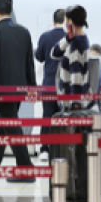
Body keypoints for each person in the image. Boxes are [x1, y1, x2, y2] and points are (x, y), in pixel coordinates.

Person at [0, 0, 36, 182]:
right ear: (11, 10)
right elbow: (29, 62)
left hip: (1, 91)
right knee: (5, 124)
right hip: (19, 88)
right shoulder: (24, 31)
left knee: (11, 125)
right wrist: (32, 87)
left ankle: (26, 168)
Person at [35, 9, 66, 162]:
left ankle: (44, 150)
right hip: (65, 86)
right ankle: (62, 149)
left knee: (47, 116)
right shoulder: (70, 38)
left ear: (53, 21)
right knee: (65, 117)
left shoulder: (45, 36)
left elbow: (39, 57)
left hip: (48, 84)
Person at [51, 5, 95, 110]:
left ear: (71, 21)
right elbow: (54, 53)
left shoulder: (76, 43)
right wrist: (68, 38)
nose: (65, 23)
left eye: (66, 20)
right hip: (71, 99)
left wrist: (75, 102)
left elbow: (76, 75)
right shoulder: (77, 39)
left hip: (71, 103)